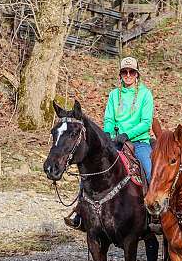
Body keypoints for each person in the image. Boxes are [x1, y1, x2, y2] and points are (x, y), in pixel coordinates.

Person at [65, 57, 155, 230]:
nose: (128, 75)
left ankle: (154, 213)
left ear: (137, 75)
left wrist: (127, 134)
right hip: (115, 141)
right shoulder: (114, 94)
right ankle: (81, 210)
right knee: (91, 169)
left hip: (139, 142)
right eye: (124, 72)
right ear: (120, 75)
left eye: (131, 72)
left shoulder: (145, 94)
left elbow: (145, 122)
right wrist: (107, 134)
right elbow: (108, 118)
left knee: (149, 170)